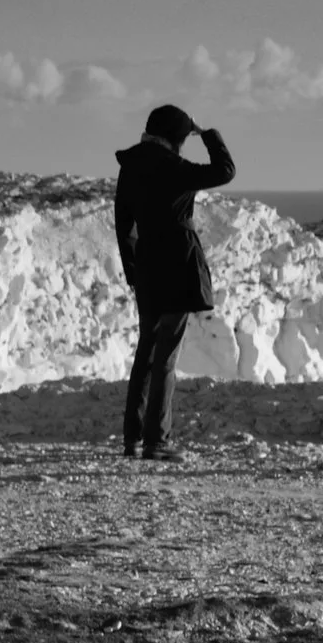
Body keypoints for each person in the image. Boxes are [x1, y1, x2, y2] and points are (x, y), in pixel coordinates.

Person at [112, 104, 235, 459]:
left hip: (148, 263)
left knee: (146, 351)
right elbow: (225, 171)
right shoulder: (174, 167)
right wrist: (208, 134)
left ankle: (132, 439)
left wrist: (133, 268)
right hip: (177, 264)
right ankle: (157, 441)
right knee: (167, 354)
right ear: (176, 137)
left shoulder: (131, 165)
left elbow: (124, 223)